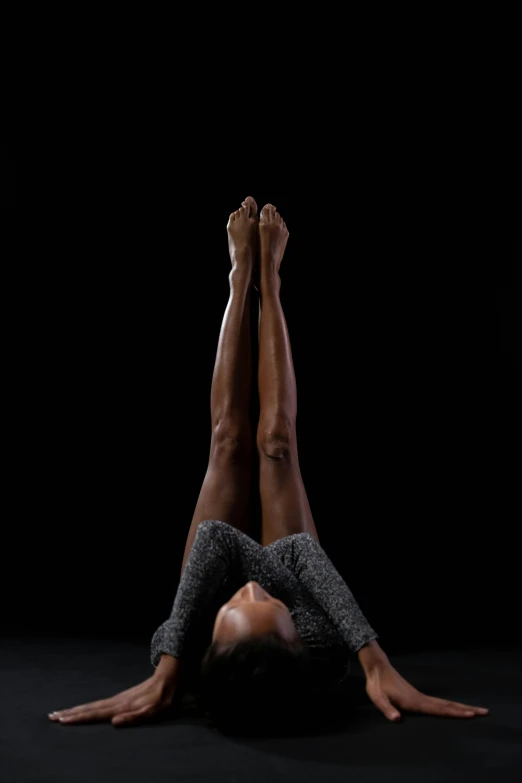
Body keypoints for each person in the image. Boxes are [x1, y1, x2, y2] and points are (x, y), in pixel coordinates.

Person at [48, 198, 489, 729]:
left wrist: (168, 668)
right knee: (276, 441)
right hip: (298, 577)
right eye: (268, 605)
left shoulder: (187, 654)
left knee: (228, 442)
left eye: (239, 604)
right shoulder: (323, 648)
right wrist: (375, 661)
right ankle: (271, 283)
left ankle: (239, 279)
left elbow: (216, 539)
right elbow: (297, 552)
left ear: (210, 643)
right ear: (299, 635)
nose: (253, 586)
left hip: (211, 577)